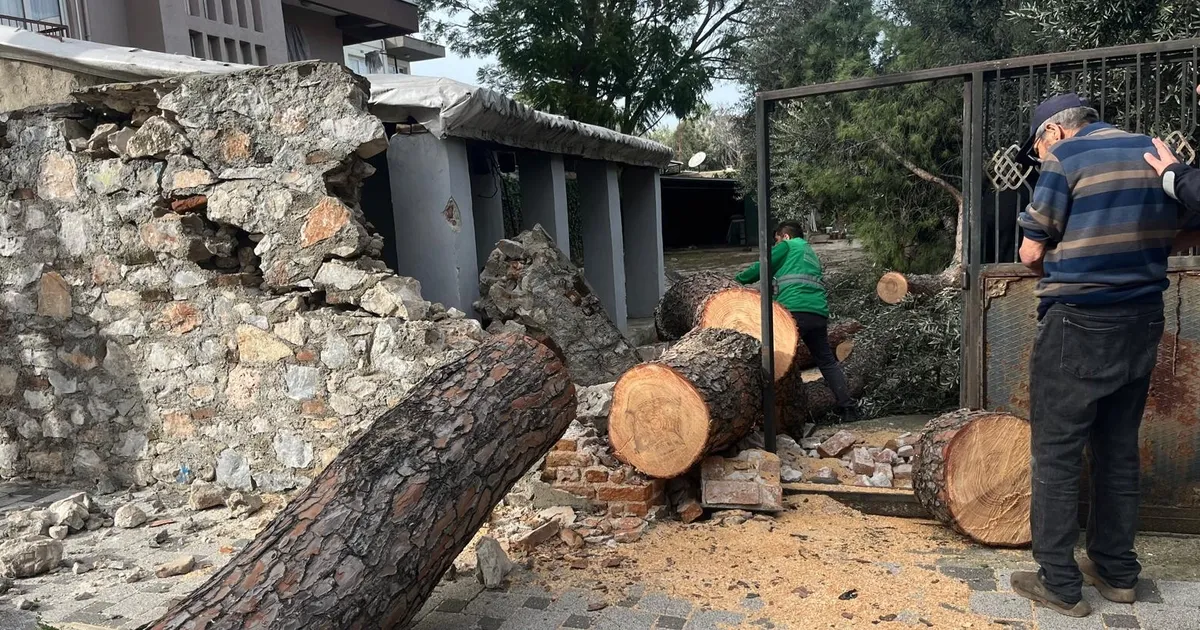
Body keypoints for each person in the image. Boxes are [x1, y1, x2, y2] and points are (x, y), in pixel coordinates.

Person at [1012, 93, 1194, 618]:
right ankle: (1117, 573)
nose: (1041, 156)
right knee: (1118, 448)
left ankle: (1060, 583)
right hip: (1142, 320)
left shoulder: (1065, 161)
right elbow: (1189, 224)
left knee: (1057, 451)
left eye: (1039, 147)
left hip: (1078, 321)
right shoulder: (1153, 152)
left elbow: (1030, 251)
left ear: (1055, 133)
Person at [735, 221, 855, 423]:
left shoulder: (787, 246)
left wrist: (736, 281)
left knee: (770, 357)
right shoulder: (810, 252)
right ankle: (848, 409)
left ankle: (766, 413)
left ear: (785, 236)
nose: (776, 245)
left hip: (792, 313)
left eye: (777, 240)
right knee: (826, 362)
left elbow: (762, 266)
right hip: (818, 314)